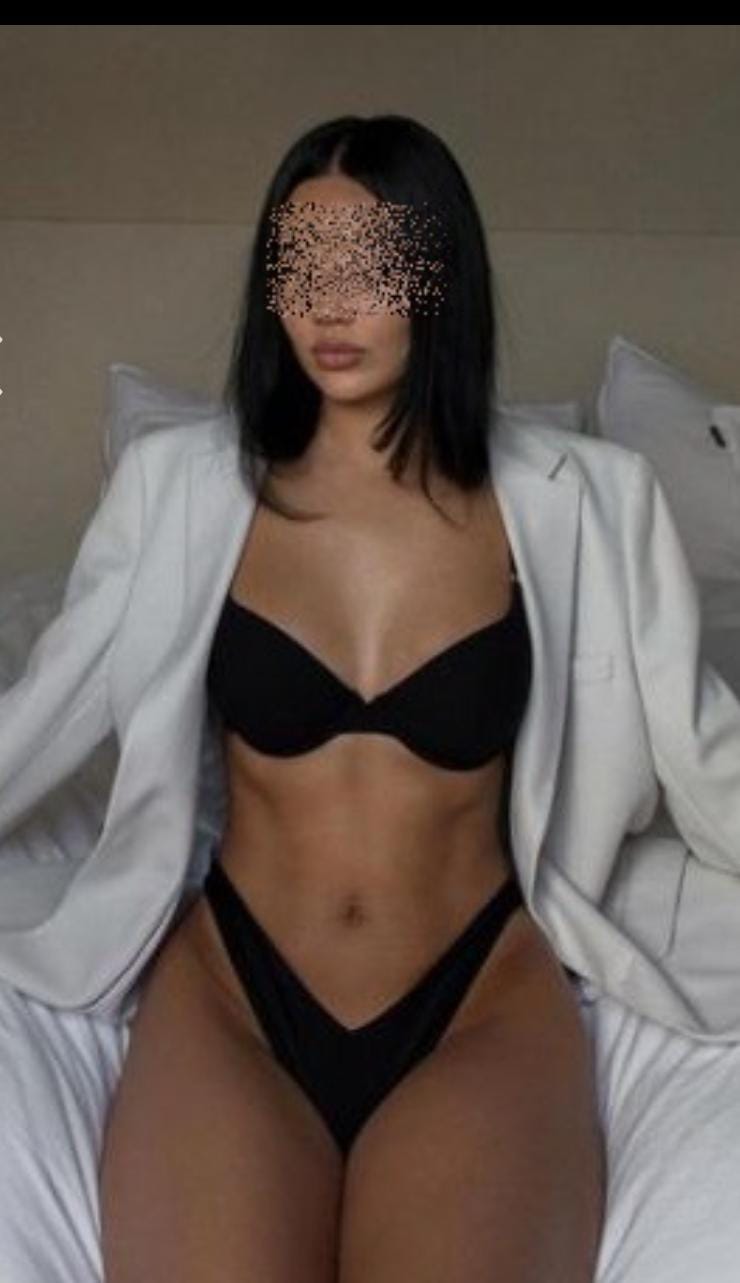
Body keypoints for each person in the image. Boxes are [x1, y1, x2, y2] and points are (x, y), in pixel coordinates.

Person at [98, 114, 606, 1281]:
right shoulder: (182, 489)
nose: (330, 302)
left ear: (438, 278)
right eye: (300, 265)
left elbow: (696, 743)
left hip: (474, 999)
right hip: (236, 993)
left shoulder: (574, 503)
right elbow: (43, 712)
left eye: (372, 266)